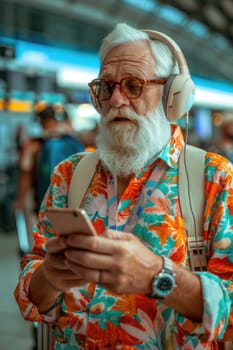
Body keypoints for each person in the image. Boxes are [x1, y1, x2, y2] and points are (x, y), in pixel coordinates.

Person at [14, 23, 233, 349]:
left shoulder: (213, 178)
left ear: (173, 97)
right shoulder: (70, 175)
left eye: (133, 85)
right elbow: (31, 288)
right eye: (106, 86)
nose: (116, 99)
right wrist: (50, 277)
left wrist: (159, 277)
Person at [13, 103, 85, 214]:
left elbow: (25, 174)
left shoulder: (34, 145)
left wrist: (20, 200)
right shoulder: (77, 143)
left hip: (46, 205)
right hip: (76, 205)